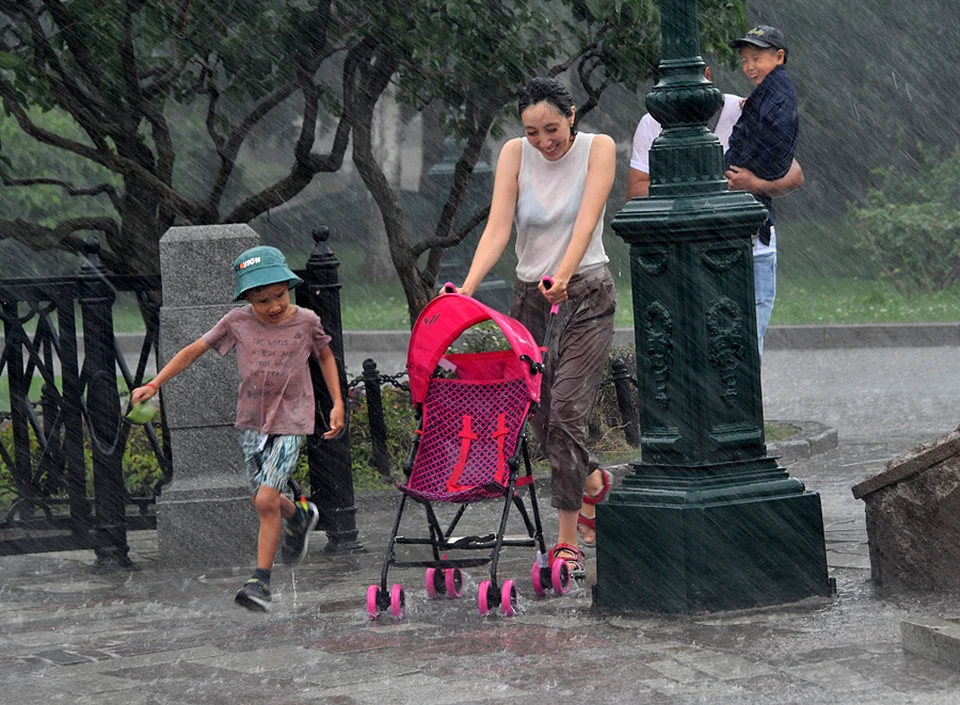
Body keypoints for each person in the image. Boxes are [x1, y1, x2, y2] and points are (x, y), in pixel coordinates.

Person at [454, 77, 617, 575]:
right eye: (531, 132)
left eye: (551, 128)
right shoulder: (513, 155)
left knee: (566, 413)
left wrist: (565, 274)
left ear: (571, 115)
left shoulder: (598, 148)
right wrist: (465, 288)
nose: (544, 141)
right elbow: (499, 227)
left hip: (585, 292)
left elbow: (587, 219)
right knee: (542, 417)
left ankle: (567, 540)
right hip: (530, 300)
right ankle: (593, 485)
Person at [130, 246, 345, 612]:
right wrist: (155, 383)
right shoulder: (236, 323)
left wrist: (338, 402)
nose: (274, 306)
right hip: (251, 421)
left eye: (280, 295)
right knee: (265, 500)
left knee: (264, 500)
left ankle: (260, 582)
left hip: (292, 420)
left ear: (288, 288)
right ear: (247, 298)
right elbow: (192, 351)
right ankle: (301, 515)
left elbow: (324, 354)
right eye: (263, 300)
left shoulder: (306, 321)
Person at [628, 49, 804, 356]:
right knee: (698, 349)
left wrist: (756, 184)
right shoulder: (651, 123)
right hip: (686, 251)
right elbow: (636, 190)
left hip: (751, 248)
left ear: (707, 76)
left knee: (746, 349)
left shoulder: (743, 110)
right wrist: (701, 189)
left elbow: (794, 173)